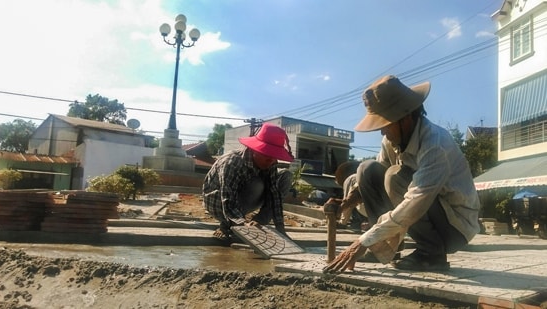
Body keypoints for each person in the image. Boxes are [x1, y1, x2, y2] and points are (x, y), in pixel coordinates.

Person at [324, 75, 480, 272]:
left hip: (454, 227)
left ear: (405, 118)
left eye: (385, 126)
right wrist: (347, 201)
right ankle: (382, 249)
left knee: (395, 177)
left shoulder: (436, 144)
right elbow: (373, 177)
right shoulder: (391, 141)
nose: (382, 133)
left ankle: (432, 253)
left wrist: (363, 241)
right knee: (367, 169)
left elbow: (417, 199)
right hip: (428, 211)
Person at [202, 122, 294, 242]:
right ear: (255, 149)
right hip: (218, 203)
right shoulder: (232, 162)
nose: (271, 160)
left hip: (244, 202)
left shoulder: (270, 163)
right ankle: (227, 225)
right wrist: (242, 225)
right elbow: (227, 199)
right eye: (267, 155)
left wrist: (280, 228)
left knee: (285, 176)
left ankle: (258, 223)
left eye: (274, 156)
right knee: (257, 185)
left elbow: (274, 195)